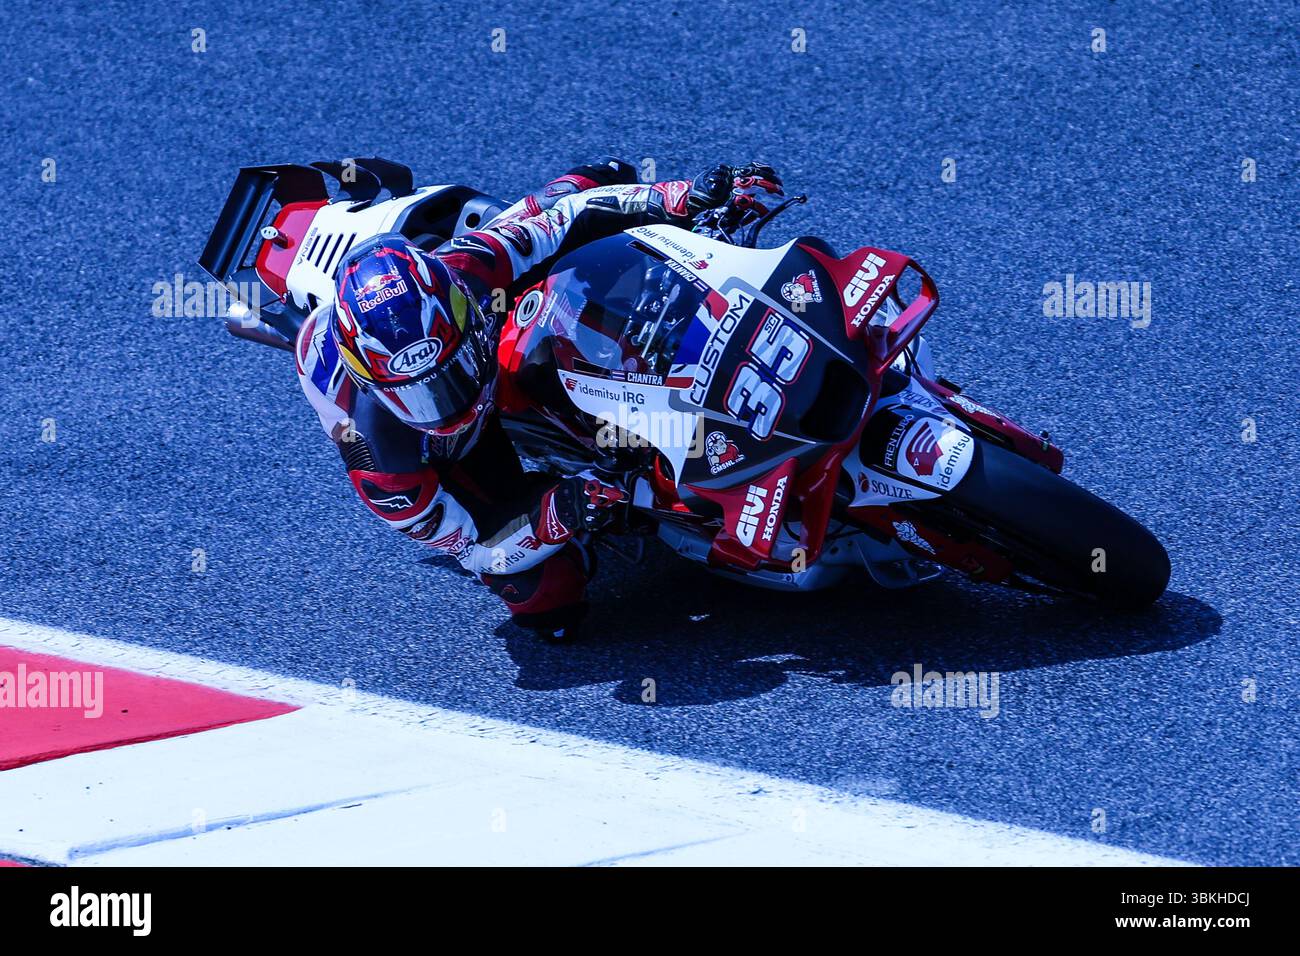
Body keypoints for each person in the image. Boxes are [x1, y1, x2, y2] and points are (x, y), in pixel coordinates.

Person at [295, 158, 784, 640]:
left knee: (595, 184)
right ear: (375, 386)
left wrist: (678, 198)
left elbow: (569, 218)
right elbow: (475, 548)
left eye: (452, 374)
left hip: (487, 322)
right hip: (459, 458)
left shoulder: (467, 268)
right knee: (542, 597)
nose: (447, 402)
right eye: (419, 394)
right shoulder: (384, 468)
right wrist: (563, 508)